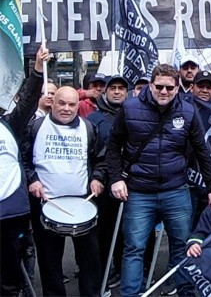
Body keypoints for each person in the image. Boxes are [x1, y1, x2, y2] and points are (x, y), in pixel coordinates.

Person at [106, 64, 211, 297]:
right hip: (138, 191)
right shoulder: (129, 108)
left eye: (169, 88)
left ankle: (185, 293)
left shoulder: (188, 111)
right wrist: (116, 179)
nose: (164, 91)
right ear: (150, 85)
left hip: (175, 189)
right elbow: (113, 147)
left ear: (177, 88)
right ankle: (131, 294)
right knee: (134, 248)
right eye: (159, 86)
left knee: (183, 245)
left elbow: (202, 151)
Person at [24, 86, 106, 296]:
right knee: (49, 261)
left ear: (78, 105)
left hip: (83, 203)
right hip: (46, 203)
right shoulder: (35, 127)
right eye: (61, 103)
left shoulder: (88, 128)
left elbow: (101, 159)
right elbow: (22, 159)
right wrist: (32, 180)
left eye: (71, 104)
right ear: (52, 103)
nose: (66, 108)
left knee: (90, 260)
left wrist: (97, 178)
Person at [0, 47, 46, 296]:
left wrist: (37, 69)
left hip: (10, 212)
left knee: (10, 274)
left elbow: (27, 102)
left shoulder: (9, 123)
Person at [87, 75, 130, 288]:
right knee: (103, 234)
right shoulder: (93, 119)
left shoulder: (135, 114)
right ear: (105, 92)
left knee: (127, 233)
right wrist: (96, 177)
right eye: (112, 88)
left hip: (131, 183)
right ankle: (103, 273)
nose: (117, 92)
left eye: (121, 88)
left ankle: (124, 272)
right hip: (103, 186)